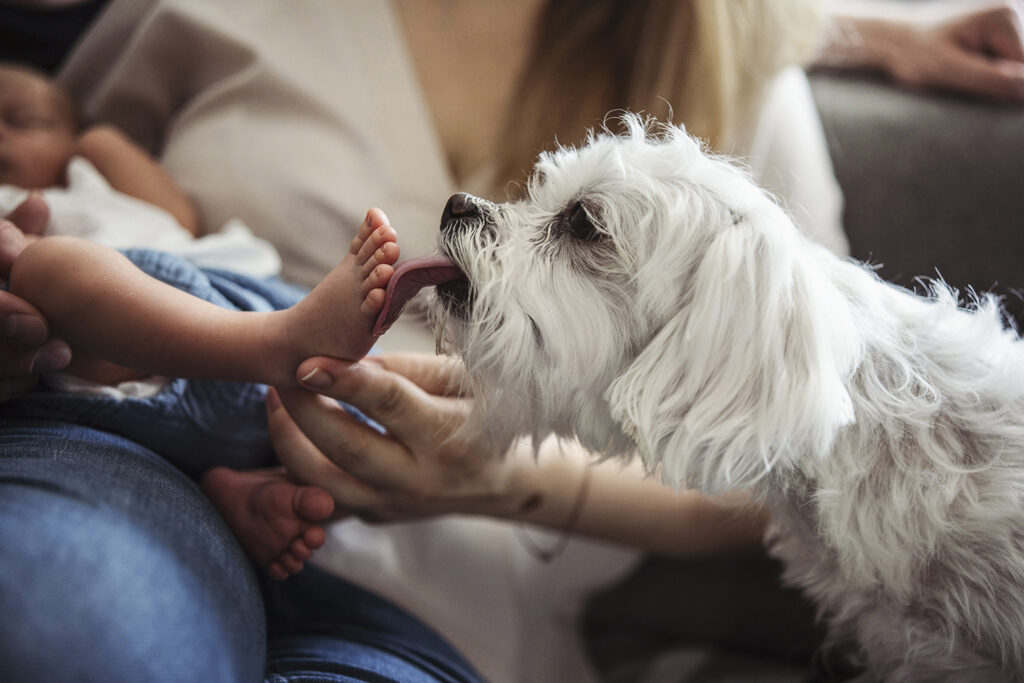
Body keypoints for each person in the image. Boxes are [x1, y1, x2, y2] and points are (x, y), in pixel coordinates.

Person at [0, 1, 1021, 682]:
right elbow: (60, 154)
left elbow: (785, 433)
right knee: (66, 627)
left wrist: (513, 481)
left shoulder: (725, 53)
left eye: (578, 226)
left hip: (453, 608)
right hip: (159, 458)